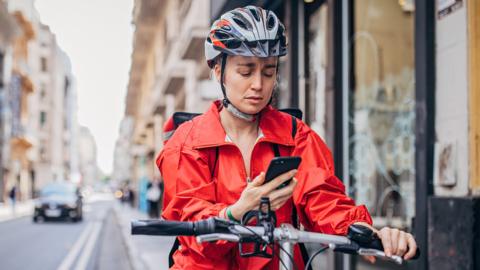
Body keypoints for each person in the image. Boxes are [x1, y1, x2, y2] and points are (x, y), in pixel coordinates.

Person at [157, 6, 417, 270]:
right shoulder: (187, 141)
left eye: (268, 72)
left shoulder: (295, 134)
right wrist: (236, 212)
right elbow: (190, 221)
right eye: (246, 72)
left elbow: (324, 199)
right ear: (217, 70)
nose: (258, 84)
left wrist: (366, 231)